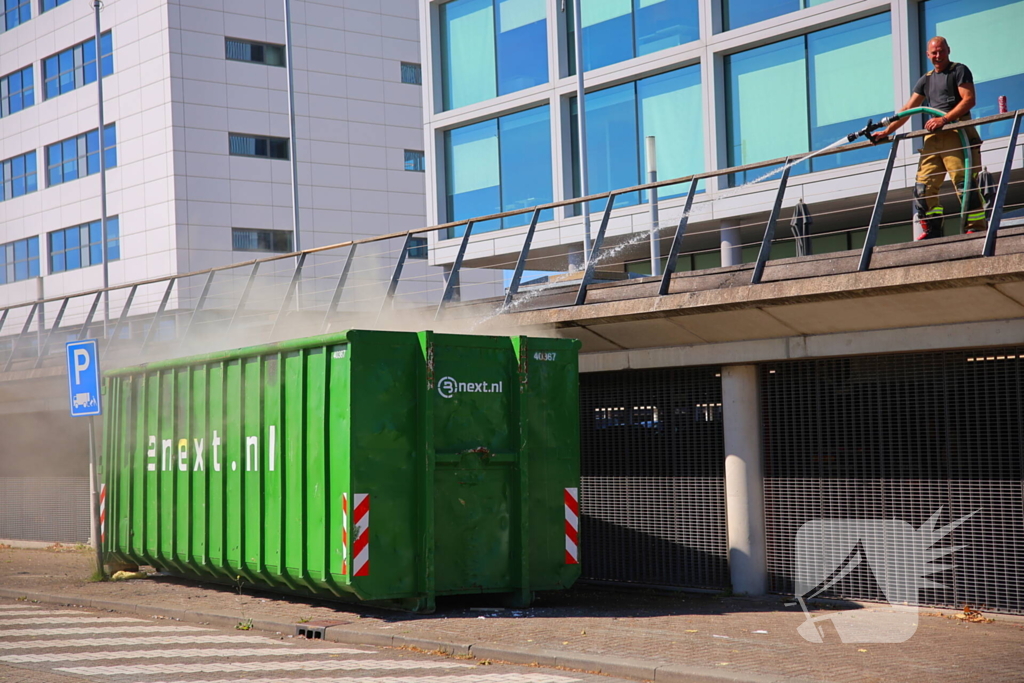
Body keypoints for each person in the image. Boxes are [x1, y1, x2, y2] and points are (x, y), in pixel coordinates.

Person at [871, 36, 986, 239]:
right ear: (928, 55)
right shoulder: (926, 79)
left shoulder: (959, 70)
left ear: (948, 50)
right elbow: (907, 109)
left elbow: (969, 100)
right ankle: (933, 229)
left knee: (964, 182)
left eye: (941, 51)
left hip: (956, 132)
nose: (938, 55)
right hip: (933, 138)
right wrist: (887, 131)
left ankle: (975, 227)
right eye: (934, 52)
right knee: (923, 186)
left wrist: (945, 119)